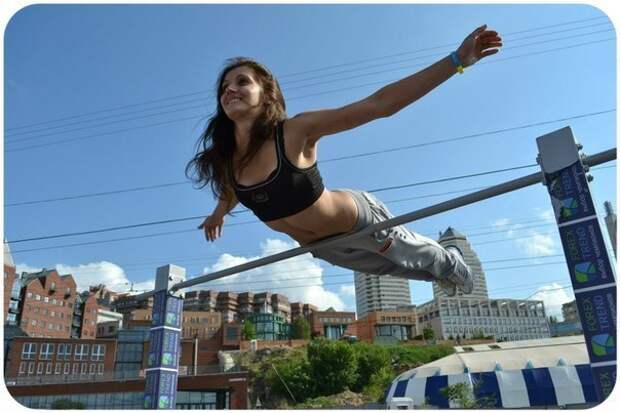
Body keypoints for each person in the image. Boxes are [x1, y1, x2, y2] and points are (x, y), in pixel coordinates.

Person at [186, 25, 502, 296]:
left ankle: (450, 259)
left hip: (361, 222)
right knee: (399, 271)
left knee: (415, 256)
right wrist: (218, 214)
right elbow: (231, 189)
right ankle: (443, 271)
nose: (230, 90)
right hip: (324, 246)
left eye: (242, 82)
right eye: (224, 88)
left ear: (267, 93)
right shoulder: (228, 160)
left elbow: (380, 105)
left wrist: (457, 61)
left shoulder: (295, 131)